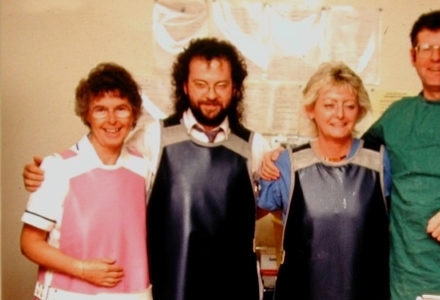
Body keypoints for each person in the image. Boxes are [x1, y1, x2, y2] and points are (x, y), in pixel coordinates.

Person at [261, 8, 440, 300]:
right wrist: (281, 156)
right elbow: (347, 152)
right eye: (426, 48)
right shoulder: (398, 118)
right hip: (409, 284)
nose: (435, 57)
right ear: (413, 56)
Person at [23, 38, 268, 300]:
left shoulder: (255, 146)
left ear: (235, 89)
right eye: (200, 84)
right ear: (185, 86)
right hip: (167, 284)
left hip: (231, 286)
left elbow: (272, 199)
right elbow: (103, 159)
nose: (210, 94)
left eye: (221, 85)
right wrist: (44, 172)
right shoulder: (153, 138)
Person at [257, 62, 391, 300]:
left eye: (349, 106)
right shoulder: (287, 164)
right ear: (311, 109)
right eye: (329, 105)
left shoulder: (379, 161)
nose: (339, 115)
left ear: (359, 110)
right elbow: (256, 212)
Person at [20, 63, 152, 300]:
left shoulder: (145, 168)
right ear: (87, 115)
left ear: (133, 114)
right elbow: (29, 243)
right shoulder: (58, 167)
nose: (112, 119)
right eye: (100, 109)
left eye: (121, 108)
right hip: (67, 294)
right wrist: (82, 269)